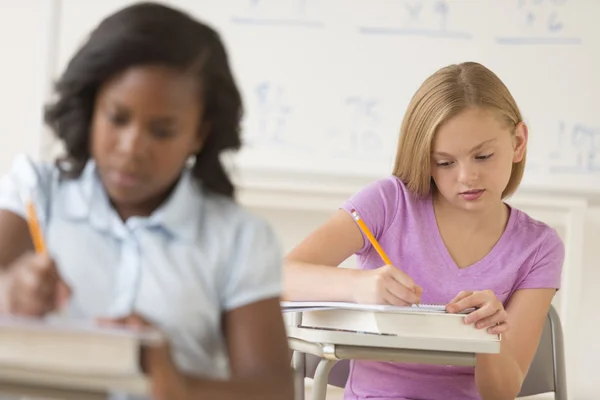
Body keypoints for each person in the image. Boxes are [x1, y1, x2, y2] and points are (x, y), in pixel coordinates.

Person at [0, 2, 292, 399]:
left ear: (199, 134)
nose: (132, 147)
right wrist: (7, 293)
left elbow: (274, 390)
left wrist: (180, 386)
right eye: (117, 118)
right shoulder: (36, 192)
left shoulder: (238, 237)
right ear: (91, 109)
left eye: (163, 130)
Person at [283, 61, 564, 400]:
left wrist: (490, 335)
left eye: (483, 156)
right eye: (444, 162)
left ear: (518, 142)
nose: (466, 177)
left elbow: (502, 393)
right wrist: (359, 286)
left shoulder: (538, 247)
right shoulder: (389, 203)